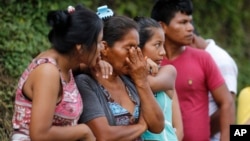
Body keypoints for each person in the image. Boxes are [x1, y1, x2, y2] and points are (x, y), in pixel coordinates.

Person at [11, 4, 104, 141]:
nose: (101, 48)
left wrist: (98, 63)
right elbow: (39, 135)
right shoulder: (48, 72)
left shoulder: (65, 64)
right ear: (80, 47)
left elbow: (82, 66)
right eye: (98, 42)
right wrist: (83, 132)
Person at [151, 0, 235, 141]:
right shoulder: (151, 62)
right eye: (183, 22)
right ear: (162, 26)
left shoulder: (203, 58)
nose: (190, 28)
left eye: (190, 22)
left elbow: (227, 102)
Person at [75, 12, 164, 141]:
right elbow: (104, 135)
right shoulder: (86, 83)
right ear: (104, 48)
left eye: (136, 47)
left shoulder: (129, 79)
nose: (134, 54)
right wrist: (141, 126)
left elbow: (157, 126)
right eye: (129, 48)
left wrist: (142, 81)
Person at [134, 16, 183, 141]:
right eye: (157, 45)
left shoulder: (167, 72)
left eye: (163, 45)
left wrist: (141, 63)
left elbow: (147, 83)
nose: (163, 52)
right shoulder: (125, 75)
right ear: (138, 47)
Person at [191, 28, 238, 141]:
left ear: (191, 39)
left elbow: (228, 105)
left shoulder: (221, 60)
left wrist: (199, 132)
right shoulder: (197, 58)